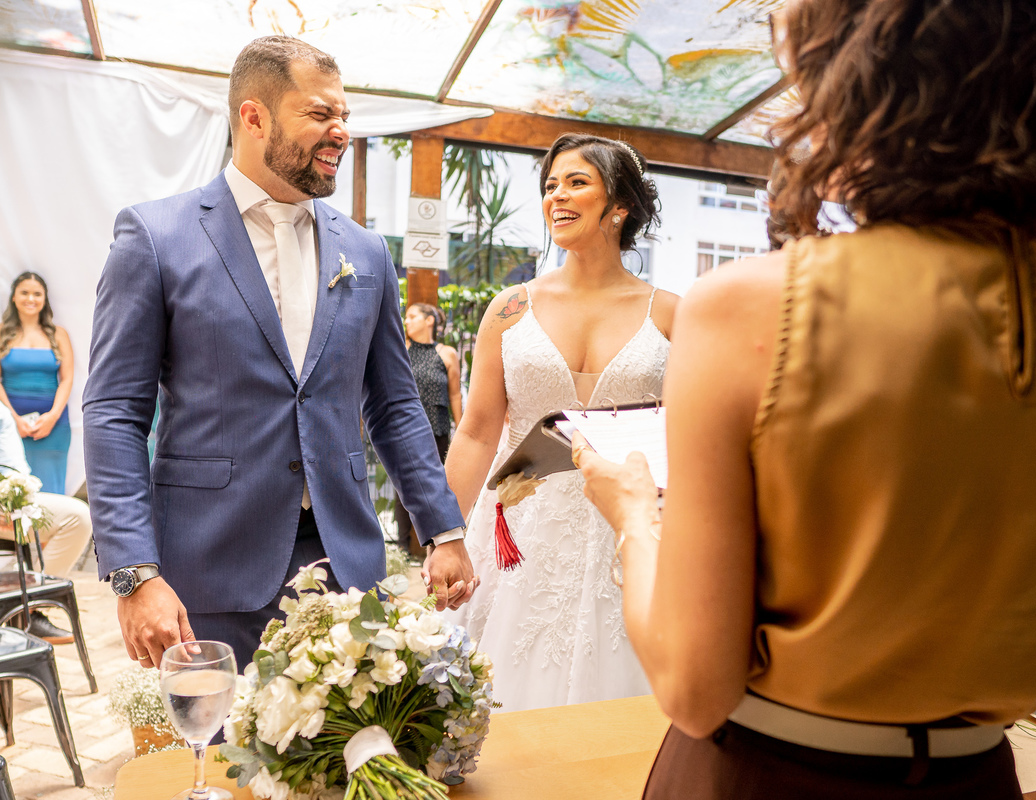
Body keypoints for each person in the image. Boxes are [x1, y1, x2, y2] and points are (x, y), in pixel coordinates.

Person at [575, 0, 1036, 797]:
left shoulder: (753, 307)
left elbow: (693, 685)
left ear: (847, 86)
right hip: (979, 773)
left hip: (767, 772)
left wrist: (634, 515)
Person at [83, 35, 473, 675]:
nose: (340, 132)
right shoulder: (155, 237)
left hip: (345, 563)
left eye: (344, 116)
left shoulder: (367, 252)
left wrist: (444, 530)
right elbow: (112, 412)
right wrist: (133, 571)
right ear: (254, 116)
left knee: (351, 757)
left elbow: (396, 405)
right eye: (320, 115)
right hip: (209, 565)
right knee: (216, 755)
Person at [441, 133, 678, 712]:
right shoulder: (510, 308)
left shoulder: (671, 313)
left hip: (626, 529)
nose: (557, 196)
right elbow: (476, 432)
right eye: (550, 185)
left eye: (576, 182)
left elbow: (688, 436)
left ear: (618, 205)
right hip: (520, 532)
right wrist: (442, 536)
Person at [0, 408, 91, 644]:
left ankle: (25, 610)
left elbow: (16, 471)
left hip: (7, 501)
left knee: (78, 516)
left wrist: (16, 500)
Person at [0, 272, 74, 495]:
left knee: (50, 489)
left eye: (37, 294)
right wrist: (14, 420)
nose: (30, 299)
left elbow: (67, 379)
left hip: (53, 426)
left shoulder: (59, 334)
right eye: (24, 292)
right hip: (8, 426)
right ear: (14, 297)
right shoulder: (2, 332)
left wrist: (52, 417)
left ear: (45, 298)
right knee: (11, 492)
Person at [404, 303, 461, 462]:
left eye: (412, 317)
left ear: (429, 320)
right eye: (406, 318)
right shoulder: (402, 350)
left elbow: (455, 395)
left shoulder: (448, 354)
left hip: (438, 432)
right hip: (406, 431)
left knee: (437, 482)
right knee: (406, 484)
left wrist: (461, 431)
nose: (407, 321)